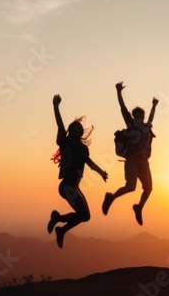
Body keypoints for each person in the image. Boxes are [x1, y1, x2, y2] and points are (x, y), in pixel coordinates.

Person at [47, 94, 108, 248]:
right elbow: (60, 126)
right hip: (67, 186)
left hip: (74, 187)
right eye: (75, 128)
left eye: (80, 128)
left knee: (85, 216)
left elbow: (90, 163)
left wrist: (101, 172)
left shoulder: (83, 148)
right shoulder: (65, 142)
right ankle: (58, 221)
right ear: (71, 131)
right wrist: (56, 107)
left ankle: (60, 226)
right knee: (84, 215)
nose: (78, 130)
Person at [102, 82, 158, 225]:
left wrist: (154, 105)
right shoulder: (131, 124)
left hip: (143, 161)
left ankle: (139, 207)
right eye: (137, 115)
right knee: (130, 187)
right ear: (134, 116)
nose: (139, 118)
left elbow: (151, 118)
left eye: (141, 115)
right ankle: (111, 197)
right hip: (132, 160)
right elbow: (123, 108)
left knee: (149, 188)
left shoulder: (146, 127)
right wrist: (118, 91)